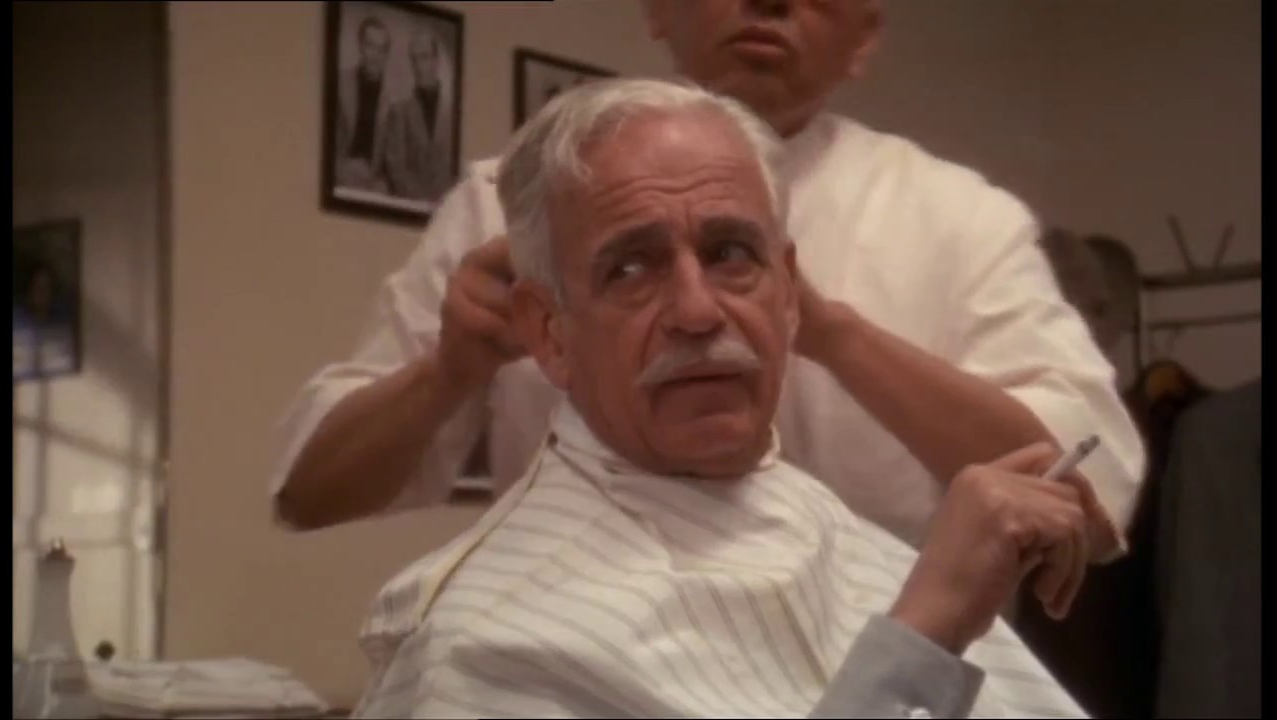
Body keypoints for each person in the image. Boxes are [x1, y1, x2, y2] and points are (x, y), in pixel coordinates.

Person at [275, 0, 1142, 565]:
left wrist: (831, 332)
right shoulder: (507, 205)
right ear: (658, 5)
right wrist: (447, 371)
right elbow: (311, 495)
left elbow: (1086, 498)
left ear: (866, 36)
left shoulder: (962, 220)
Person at [354, 79, 1090, 719]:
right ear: (549, 332)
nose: (698, 312)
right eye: (631, 269)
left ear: (788, 295)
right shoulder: (488, 644)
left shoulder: (865, 552)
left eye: (731, 254)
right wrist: (925, 632)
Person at [383, 28, 453, 203]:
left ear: (436, 61)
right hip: (410, 205)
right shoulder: (399, 112)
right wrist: (421, 200)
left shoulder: (453, 114)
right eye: (414, 59)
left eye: (424, 57)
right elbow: (396, 169)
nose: (419, 66)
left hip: (447, 207)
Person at [335, 16, 393, 192]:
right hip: (337, 182)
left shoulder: (393, 101)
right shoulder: (339, 84)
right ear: (360, 47)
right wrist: (341, 169)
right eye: (370, 46)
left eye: (381, 49)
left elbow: (391, 162)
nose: (375, 55)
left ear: (387, 54)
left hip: (372, 188)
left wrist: (380, 182)